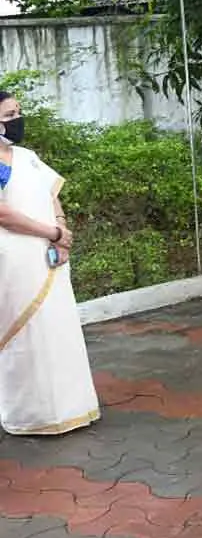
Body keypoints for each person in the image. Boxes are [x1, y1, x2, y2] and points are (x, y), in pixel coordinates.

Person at [0, 91, 100, 434]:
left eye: (18, 112)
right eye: (10, 115)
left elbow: (51, 193)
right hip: (14, 261)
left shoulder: (27, 157)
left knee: (60, 329)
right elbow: (4, 214)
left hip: (50, 255)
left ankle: (74, 408)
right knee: (27, 336)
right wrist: (52, 232)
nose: (17, 119)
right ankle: (32, 417)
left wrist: (63, 232)